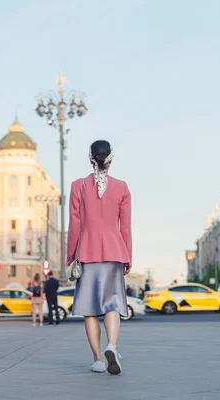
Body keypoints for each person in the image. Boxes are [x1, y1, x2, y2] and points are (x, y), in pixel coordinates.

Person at [67, 140, 132, 375]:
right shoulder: (122, 187)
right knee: (113, 304)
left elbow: (74, 224)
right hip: (115, 252)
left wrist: (71, 254)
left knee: (90, 310)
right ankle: (112, 346)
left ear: (90, 159)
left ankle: (97, 360)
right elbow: (126, 226)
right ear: (110, 160)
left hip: (87, 252)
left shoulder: (78, 186)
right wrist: (128, 257)